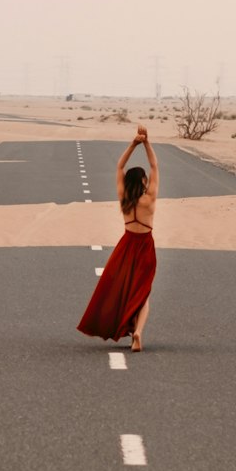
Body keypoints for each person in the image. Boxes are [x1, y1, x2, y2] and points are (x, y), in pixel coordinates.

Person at [76, 124, 159, 352]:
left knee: (124, 289)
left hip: (126, 246)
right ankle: (138, 331)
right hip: (145, 247)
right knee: (142, 293)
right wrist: (147, 142)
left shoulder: (124, 199)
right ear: (143, 182)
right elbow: (154, 165)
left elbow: (119, 166)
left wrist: (133, 143)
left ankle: (132, 328)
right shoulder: (149, 199)